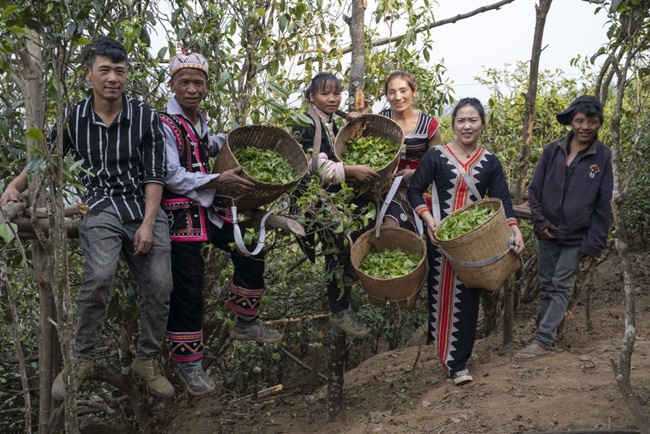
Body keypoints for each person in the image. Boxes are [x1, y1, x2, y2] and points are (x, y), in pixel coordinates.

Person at [0, 37, 175, 399]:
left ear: (127, 76)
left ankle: (147, 358)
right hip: (99, 206)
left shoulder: (146, 117)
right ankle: (82, 358)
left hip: (144, 207)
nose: (113, 78)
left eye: (120, 71)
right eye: (105, 70)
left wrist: (147, 223)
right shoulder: (74, 116)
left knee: (160, 284)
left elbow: (155, 175)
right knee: (98, 277)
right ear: (87, 74)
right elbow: (47, 158)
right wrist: (15, 186)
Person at [160, 52, 282, 395]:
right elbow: (171, 175)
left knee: (249, 249)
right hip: (180, 212)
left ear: (206, 87)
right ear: (172, 85)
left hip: (208, 208)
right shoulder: (164, 125)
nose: (192, 88)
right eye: (184, 82)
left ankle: (246, 320)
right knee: (189, 286)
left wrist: (230, 141)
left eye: (198, 82)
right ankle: (189, 364)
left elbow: (205, 145)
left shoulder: (199, 120)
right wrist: (217, 181)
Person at [407, 97, 524, 385]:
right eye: (461, 120)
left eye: (473, 120)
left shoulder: (490, 161)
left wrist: (514, 229)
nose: (467, 126)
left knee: (468, 299)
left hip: (474, 242)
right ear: (454, 124)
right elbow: (414, 190)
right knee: (441, 294)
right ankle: (448, 358)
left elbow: (502, 201)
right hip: (441, 239)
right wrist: (428, 219)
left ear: (482, 124)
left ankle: (458, 363)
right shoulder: (436, 156)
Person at [515, 95, 613, 361]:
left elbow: (603, 205)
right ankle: (544, 334)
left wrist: (594, 243)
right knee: (547, 284)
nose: (585, 126)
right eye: (579, 120)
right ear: (571, 122)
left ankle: (543, 341)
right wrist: (541, 221)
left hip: (576, 235)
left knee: (560, 286)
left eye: (592, 121)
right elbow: (534, 191)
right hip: (547, 231)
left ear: (599, 124)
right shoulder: (553, 149)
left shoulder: (603, 156)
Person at [293, 72, 378, 337]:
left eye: (336, 93)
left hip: (334, 195)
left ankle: (352, 270)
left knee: (371, 214)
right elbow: (317, 167)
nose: (332, 98)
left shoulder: (329, 121)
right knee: (337, 241)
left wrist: (352, 120)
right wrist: (352, 170)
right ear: (311, 96)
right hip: (312, 199)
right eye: (325, 93)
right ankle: (339, 309)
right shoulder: (305, 124)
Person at [379, 71, 442, 231]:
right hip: (385, 189)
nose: (397, 97)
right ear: (386, 96)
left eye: (403, 90)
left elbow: (438, 163)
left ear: (414, 93)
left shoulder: (429, 125)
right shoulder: (381, 120)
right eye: (391, 92)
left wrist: (416, 173)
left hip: (419, 189)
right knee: (387, 226)